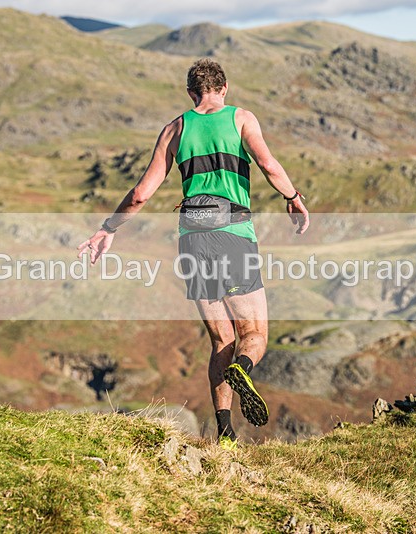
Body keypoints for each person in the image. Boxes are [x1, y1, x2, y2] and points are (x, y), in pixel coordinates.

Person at [78, 58, 309, 448]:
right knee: (253, 332)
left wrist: (108, 228)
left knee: (220, 339)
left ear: (190, 93)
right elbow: (268, 164)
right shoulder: (241, 119)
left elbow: (140, 194)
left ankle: (225, 431)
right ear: (225, 87)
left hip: (192, 239)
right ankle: (245, 367)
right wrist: (293, 197)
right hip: (233, 233)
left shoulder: (175, 128)